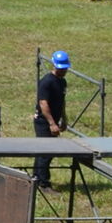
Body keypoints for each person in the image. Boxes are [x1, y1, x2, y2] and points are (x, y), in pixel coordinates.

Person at [33, 50, 70, 188]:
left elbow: (62, 101)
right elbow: (43, 103)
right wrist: (52, 123)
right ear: (54, 66)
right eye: (60, 68)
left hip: (54, 121)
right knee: (46, 152)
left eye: (65, 68)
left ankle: (35, 178)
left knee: (44, 152)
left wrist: (64, 119)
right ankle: (43, 184)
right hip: (43, 122)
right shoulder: (47, 82)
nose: (63, 71)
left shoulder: (62, 82)